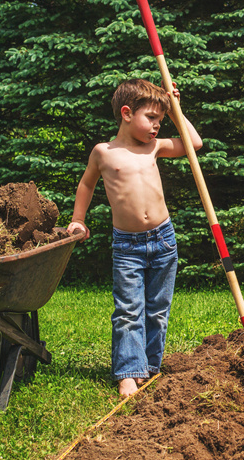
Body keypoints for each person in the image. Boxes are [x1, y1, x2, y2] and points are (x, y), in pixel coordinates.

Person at [67, 78, 202, 397]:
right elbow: (86, 185)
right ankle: (128, 372)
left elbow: (193, 144)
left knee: (157, 307)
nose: (156, 126)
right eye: (151, 118)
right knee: (128, 308)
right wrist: (77, 220)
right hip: (127, 245)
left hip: (163, 240)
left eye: (159, 120)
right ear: (127, 114)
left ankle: (150, 367)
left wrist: (174, 111)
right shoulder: (104, 152)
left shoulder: (155, 147)